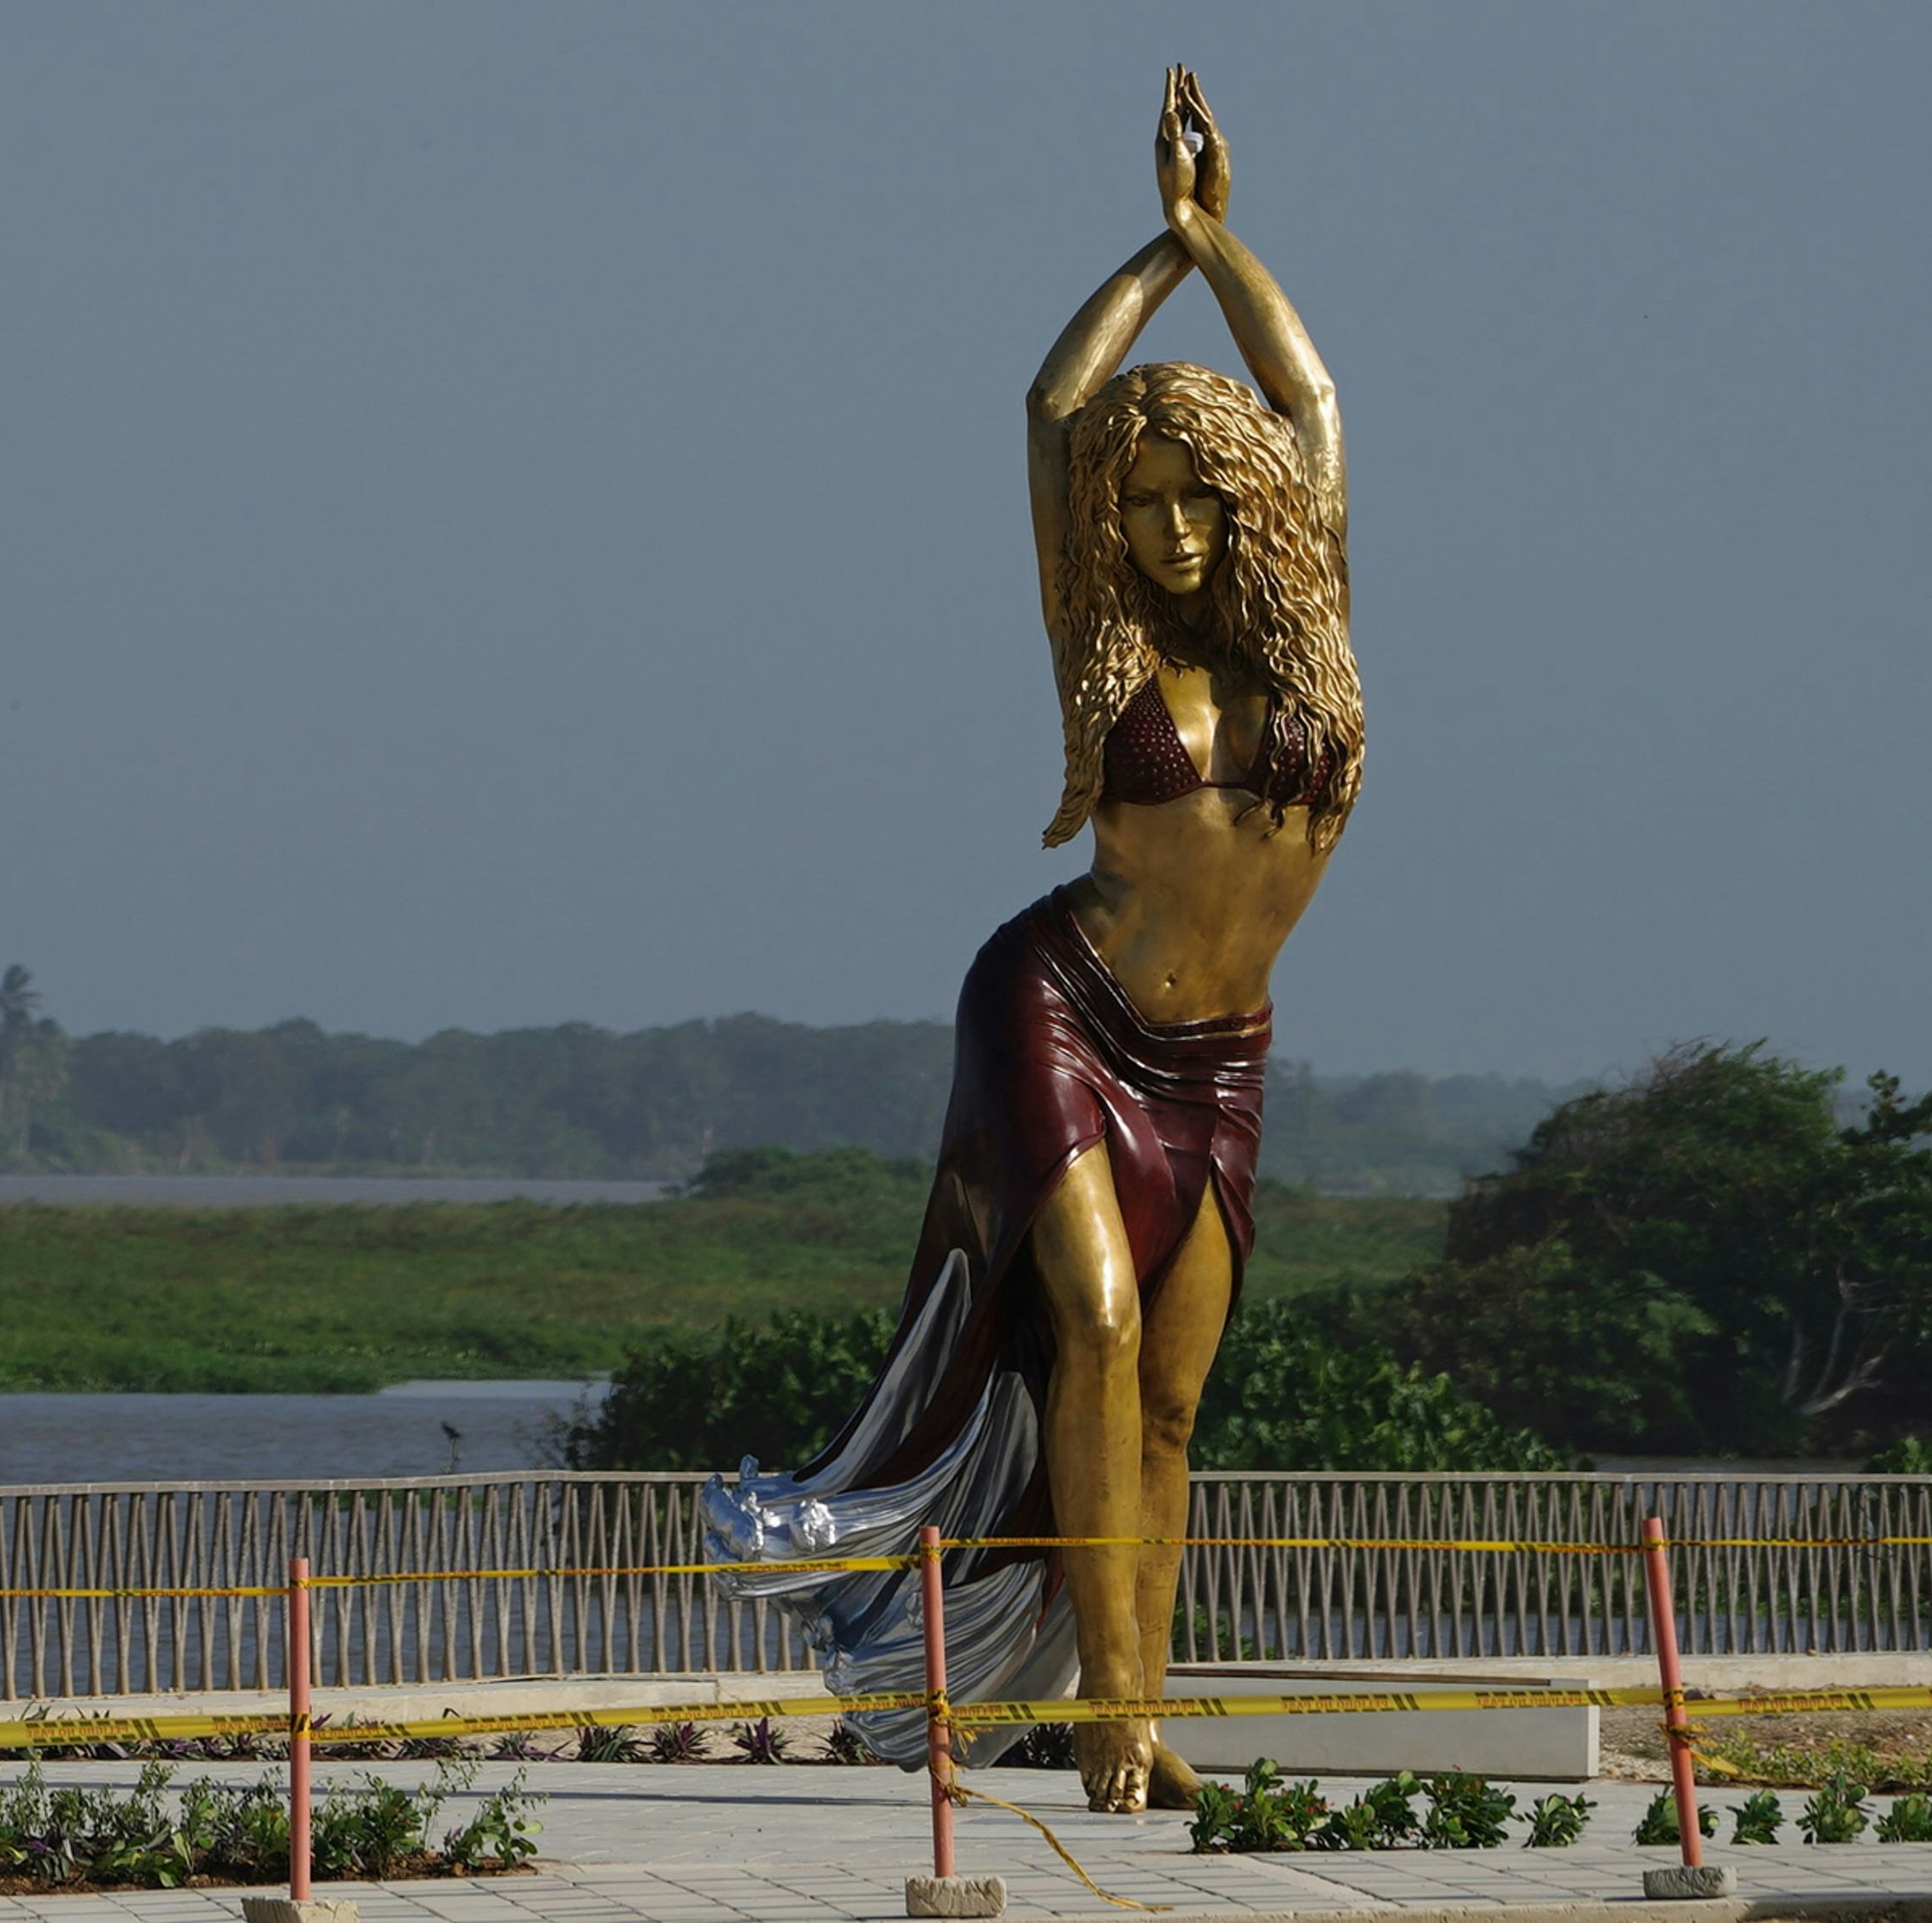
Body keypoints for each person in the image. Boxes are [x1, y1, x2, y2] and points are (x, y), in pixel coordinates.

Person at [708, 68, 1357, 1815]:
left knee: (1166, 1405)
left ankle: (1129, 1711)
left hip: (1216, 1059)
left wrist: (1216, 232)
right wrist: (1147, 252)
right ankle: (1109, 1732)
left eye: (1190, 501)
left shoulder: (1312, 646)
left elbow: (1305, 394)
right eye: (1135, 504)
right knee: (1087, 1323)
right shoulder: (1105, 650)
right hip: (1057, 1004)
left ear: (1243, 510)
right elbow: (1048, 400)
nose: (1159, 531)